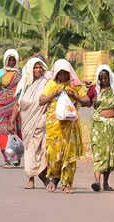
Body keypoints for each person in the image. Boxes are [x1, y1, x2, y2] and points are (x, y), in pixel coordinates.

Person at [39, 59, 90, 194]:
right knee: (53, 154)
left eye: (65, 73)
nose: (62, 76)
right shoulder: (51, 84)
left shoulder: (74, 85)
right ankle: (54, 179)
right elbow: (41, 100)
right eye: (60, 74)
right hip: (54, 127)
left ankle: (67, 183)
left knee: (69, 155)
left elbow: (87, 101)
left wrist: (75, 96)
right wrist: (54, 94)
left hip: (70, 127)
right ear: (56, 74)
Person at [9, 57, 50, 189]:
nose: (38, 70)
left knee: (42, 151)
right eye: (35, 67)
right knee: (30, 150)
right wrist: (11, 121)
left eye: (39, 67)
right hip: (27, 124)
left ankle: (44, 176)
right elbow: (17, 103)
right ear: (30, 69)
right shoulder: (24, 84)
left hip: (42, 121)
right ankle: (31, 178)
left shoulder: (46, 82)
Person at [89, 65, 114, 192]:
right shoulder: (96, 90)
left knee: (110, 154)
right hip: (98, 125)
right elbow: (87, 100)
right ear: (98, 79)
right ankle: (97, 181)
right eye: (101, 79)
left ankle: (105, 182)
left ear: (109, 77)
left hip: (112, 125)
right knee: (99, 151)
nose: (104, 81)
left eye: (106, 78)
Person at [0, 49, 22, 167]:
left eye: (13, 59)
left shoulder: (21, 74)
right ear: (5, 60)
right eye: (9, 59)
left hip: (17, 107)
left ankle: (16, 157)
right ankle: (8, 159)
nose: (11, 62)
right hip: (2, 107)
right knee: (3, 133)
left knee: (16, 132)